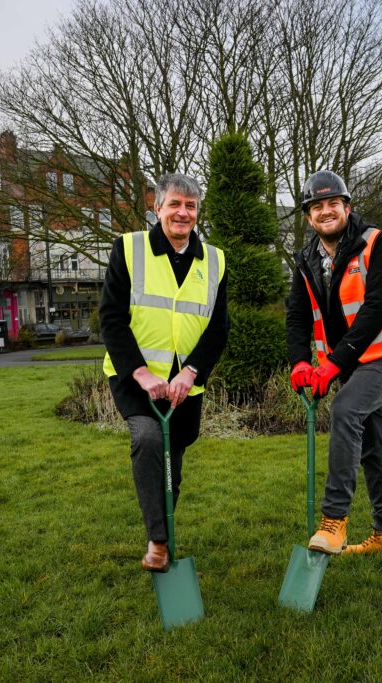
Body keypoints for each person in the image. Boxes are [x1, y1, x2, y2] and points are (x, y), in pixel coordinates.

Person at [100, 173, 229, 572]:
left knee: (174, 456)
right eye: (174, 204)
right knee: (149, 440)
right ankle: (158, 541)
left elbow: (218, 327)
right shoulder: (129, 249)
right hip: (136, 377)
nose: (182, 213)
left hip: (184, 384)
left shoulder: (215, 260)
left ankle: (162, 528)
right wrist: (139, 373)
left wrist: (191, 372)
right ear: (157, 208)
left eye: (190, 206)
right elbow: (111, 318)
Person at [286, 170, 382, 556]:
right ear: (308, 217)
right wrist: (299, 362)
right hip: (352, 363)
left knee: (345, 409)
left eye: (333, 204)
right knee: (374, 445)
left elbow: (375, 311)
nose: (325, 212)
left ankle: (335, 521)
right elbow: (296, 315)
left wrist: (333, 364)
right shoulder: (307, 258)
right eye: (316, 207)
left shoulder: (376, 245)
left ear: (347, 207)